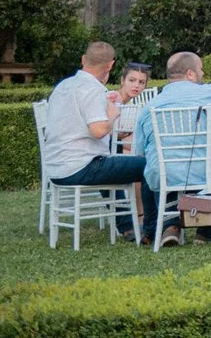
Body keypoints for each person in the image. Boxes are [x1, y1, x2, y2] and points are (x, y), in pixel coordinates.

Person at [134, 50, 211, 241]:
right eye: (201, 70)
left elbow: (139, 151)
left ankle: (169, 226)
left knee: (155, 172)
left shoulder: (150, 106)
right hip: (208, 170)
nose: (203, 74)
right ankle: (206, 229)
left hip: (165, 173)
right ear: (190, 73)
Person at [44, 41, 149, 242]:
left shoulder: (63, 86)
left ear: (84, 60)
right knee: (151, 165)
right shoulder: (93, 89)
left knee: (113, 164)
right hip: (80, 167)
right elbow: (99, 130)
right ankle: (154, 226)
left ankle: (128, 227)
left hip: (56, 169)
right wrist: (112, 114)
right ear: (111, 65)